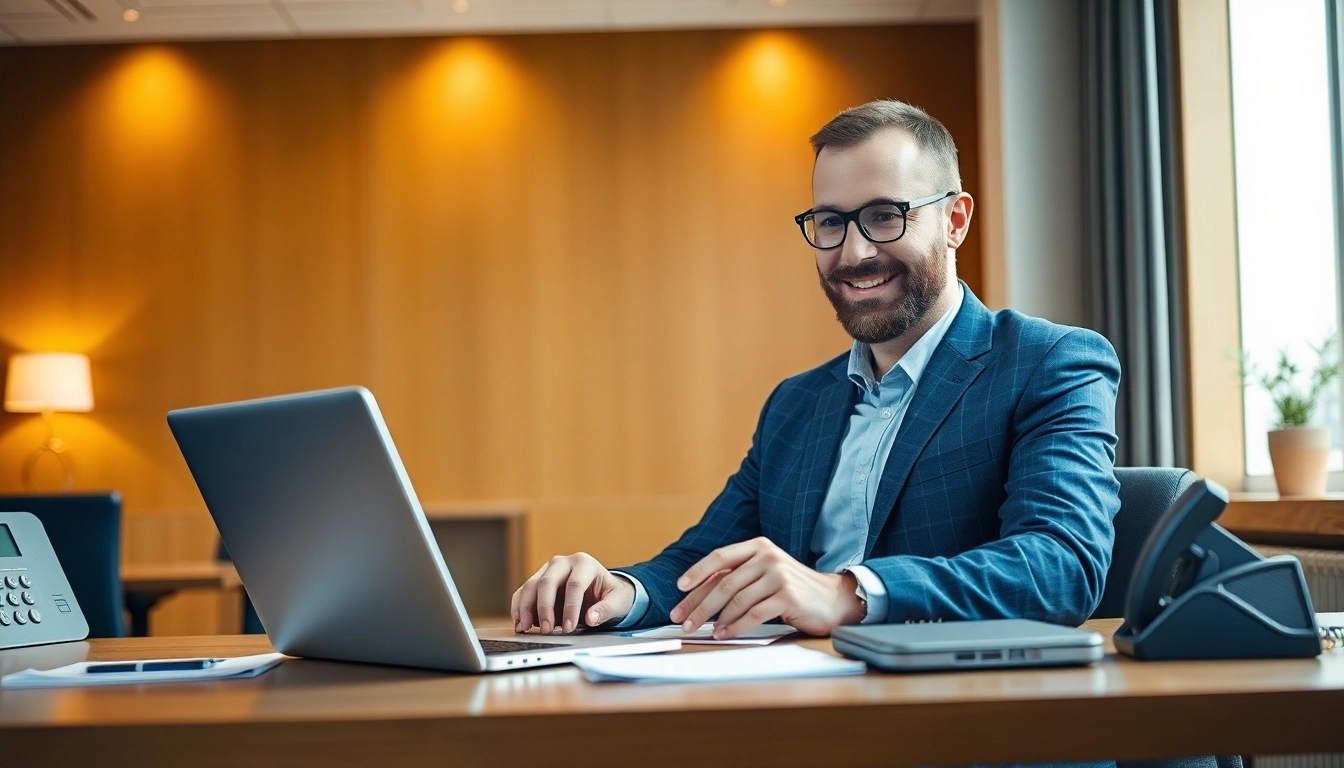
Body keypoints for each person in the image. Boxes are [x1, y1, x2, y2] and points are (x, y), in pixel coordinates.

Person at [511, 99, 1121, 640]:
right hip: (808, 714)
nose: (854, 253)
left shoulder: (1049, 362)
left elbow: (1060, 566)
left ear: (955, 220)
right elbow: (703, 561)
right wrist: (618, 593)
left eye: (886, 215)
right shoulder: (795, 404)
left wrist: (847, 593)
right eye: (831, 222)